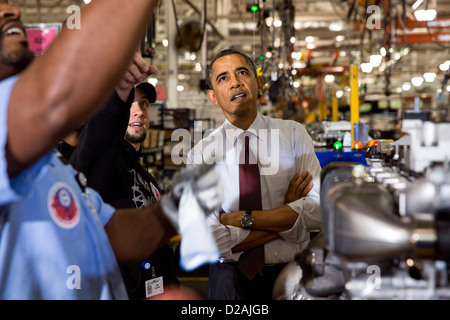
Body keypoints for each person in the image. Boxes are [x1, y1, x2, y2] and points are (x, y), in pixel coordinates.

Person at [0, 0, 221, 299]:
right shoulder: (13, 131)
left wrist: (180, 206)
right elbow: (52, 98)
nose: (12, 10)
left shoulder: (50, 167)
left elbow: (116, 230)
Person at [187, 48, 322, 300]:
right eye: (223, 78)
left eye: (242, 72)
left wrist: (243, 219)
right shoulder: (201, 156)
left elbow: (320, 211)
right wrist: (288, 213)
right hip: (229, 280)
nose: (235, 82)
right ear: (213, 96)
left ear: (258, 83)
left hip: (293, 275)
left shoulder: (293, 135)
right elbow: (209, 239)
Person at [69, 65, 180, 299]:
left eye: (144, 104)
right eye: (131, 104)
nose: (138, 111)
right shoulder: (101, 163)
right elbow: (98, 142)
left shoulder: (144, 174)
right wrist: (118, 93)